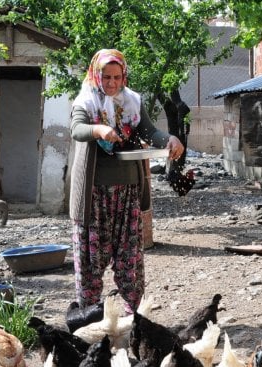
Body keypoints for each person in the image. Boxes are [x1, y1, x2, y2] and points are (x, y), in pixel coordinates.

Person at [69, 48, 185, 314]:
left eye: (117, 77)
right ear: (97, 76)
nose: (111, 83)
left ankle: (134, 319)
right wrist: (98, 129)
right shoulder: (86, 102)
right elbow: (77, 130)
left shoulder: (131, 102)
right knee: (91, 258)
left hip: (127, 191)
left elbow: (150, 131)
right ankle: (90, 317)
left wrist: (169, 140)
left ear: (124, 77)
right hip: (94, 194)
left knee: (129, 256)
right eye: (106, 77)